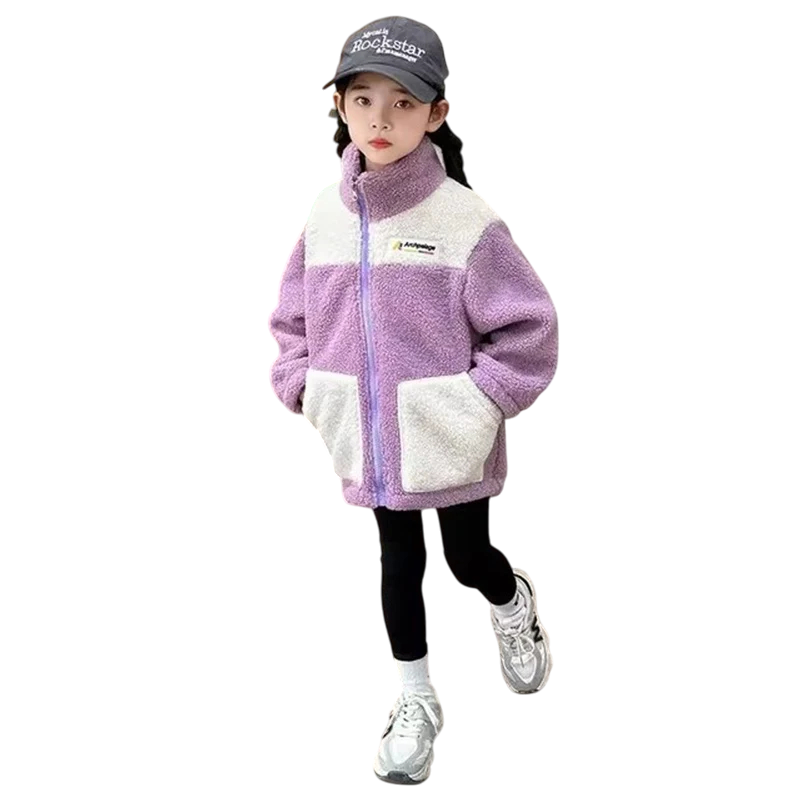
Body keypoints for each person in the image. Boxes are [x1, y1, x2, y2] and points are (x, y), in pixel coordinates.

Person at [269, 16, 559, 785]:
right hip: (367, 440)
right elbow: (293, 318)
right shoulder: (324, 216)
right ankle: (416, 698)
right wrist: (304, 383)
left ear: (436, 114)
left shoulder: (465, 220)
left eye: (403, 102)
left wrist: (476, 405)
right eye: (363, 99)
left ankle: (510, 601)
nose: (381, 119)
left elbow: (529, 329)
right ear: (339, 107)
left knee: (466, 560)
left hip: (449, 440)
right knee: (399, 563)